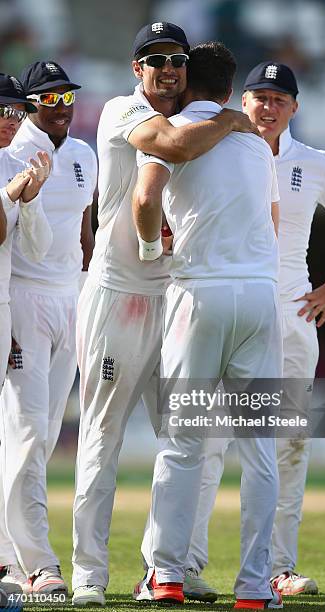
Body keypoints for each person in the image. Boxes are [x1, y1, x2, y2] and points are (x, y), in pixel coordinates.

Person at [161, 61, 325, 599]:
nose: (268, 108)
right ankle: (186, 565)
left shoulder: (314, 163)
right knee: (204, 440)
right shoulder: (216, 145)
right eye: (260, 97)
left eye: (280, 99)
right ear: (242, 101)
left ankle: (279, 565)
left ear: (295, 108)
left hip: (290, 312)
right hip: (226, 301)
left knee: (287, 444)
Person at [71, 21, 257, 608]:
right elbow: (171, 149)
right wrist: (230, 119)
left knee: (193, 440)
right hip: (119, 294)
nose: (167, 69)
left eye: (176, 59)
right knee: (102, 436)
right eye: (154, 60)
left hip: (179, 296)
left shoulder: (193, 118)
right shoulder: (124, 112)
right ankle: (88, 575)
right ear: (137, 69)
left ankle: (172, 567)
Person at [132, 41, 283, 609]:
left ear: (188, 79)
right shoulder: (254, 142)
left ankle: (167, 575)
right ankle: (253, 589)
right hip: (260, 297)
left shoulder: (180, 131)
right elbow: (270, 217)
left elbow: (146, 197)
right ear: (231, 87)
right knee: (260, 450)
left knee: (183, 445)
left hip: (201, 293)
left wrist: (151, 251)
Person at [0, 60, 97, 595]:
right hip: (22, 298)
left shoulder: (83, 155)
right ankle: (36, 562)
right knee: (27, 431)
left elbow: (83, 232)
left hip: (70, 299)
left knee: (42, 432)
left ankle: (12, 558)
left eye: (67, 98)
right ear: (31, 103)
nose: (61, 108)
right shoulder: (9, 152)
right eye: (49, 99)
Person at [0, 73, 52, 394]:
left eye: (19, 113)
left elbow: (37, 250)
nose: (13, 121)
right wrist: (7, 196)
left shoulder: (17, 163)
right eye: (5, 110)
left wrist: (30, 200)